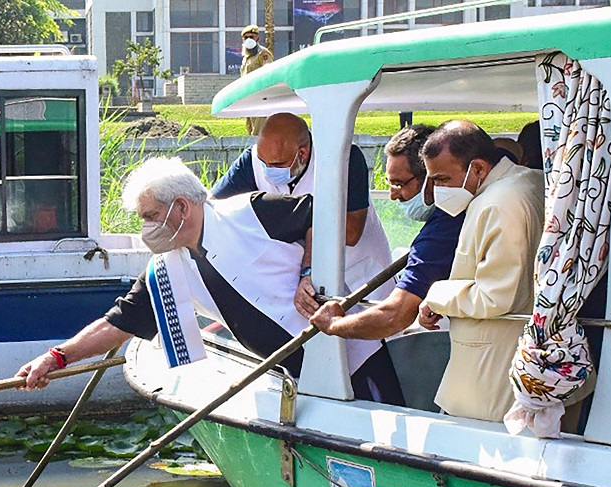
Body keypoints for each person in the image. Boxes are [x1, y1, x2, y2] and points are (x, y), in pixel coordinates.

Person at [16, 157, 404, 405]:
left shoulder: (250, 212)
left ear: (181, 207)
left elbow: (320, 217)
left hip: (351, 353)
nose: (145, 228)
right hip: (298, 376)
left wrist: (308, 271)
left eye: (150, 216)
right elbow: (116, 324)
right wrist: (56, 357)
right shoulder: (166, 268)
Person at [416, 120, 544, 421]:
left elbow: (496, 296)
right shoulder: (530, 181)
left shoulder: (496, 203)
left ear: (478, 169)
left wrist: (436, 295)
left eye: (443, 178)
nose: (437, 191)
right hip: (512, 361)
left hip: (493, 373)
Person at [211, 112, 395, 312]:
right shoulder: (252, 162)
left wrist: (295, 221)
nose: (268, 171)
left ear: (303, 153)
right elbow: (215, 208)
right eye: (264, 162)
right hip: (303, 284)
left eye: (278, 165)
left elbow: (350, 233)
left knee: (376, 334)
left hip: (361, 273)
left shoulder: (343, 158)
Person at [310, 125, 465, 340]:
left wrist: (334, 324)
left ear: (431, 176)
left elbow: (395, 315)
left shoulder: (442, 230)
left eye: (399, 184)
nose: (393, 196)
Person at [238, 25, 274, 136]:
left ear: (257, 38)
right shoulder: (246, 57)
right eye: (246, 38)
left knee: (258, 131)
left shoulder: (263, 54)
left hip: (260, 96)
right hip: (248, 96)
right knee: (249, 127)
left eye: (251, 37)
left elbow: (269, 73)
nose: (249, 40)